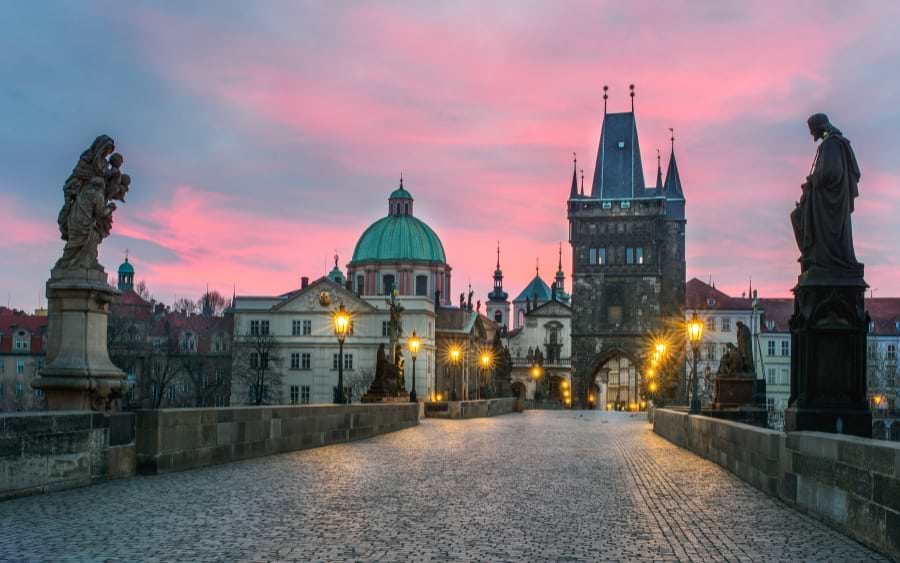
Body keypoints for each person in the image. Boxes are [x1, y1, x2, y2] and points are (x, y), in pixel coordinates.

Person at [790, 114, 862, 276]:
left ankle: (815, 257)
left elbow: (832, 172)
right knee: (797, 215)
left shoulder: (832, 144)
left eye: (812, 130)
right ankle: (810, 255)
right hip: (824, 198)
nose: (811, 134)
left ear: (819, 127)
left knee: (797, 215)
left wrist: (813, 181)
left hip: (829, 202)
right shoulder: (831, 143)